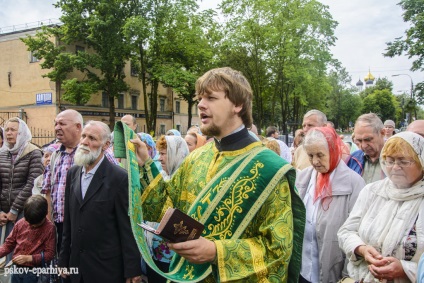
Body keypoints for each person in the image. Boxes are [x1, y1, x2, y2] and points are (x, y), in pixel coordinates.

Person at [130, 67, 305, 282]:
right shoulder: (197, 157)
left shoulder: (270, 169)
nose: (201, 104)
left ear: (237, 105)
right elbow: (162, 211)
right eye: (200, 98)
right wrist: (146, 163)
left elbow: (277, 250)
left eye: (211, 98)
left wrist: (216, 251)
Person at [58, 121, 141, 283]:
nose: (84, 142)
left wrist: (132, 269)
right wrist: (63, 259)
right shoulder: (73, 173)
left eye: (92, 138)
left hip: (106, 269)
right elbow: (68, 224)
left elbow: (127, 227)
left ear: (106, 145)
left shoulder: (119, 178)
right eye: (83, 136)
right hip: (76, 268)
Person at [338, 131, 424, 282]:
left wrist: (406, 270)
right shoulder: (372, 191)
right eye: (390, 161)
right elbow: (346, 231)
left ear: (421, 162)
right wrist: (362, 249)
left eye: (403, 161)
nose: (395, 167)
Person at [295, 127, 365, 283]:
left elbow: (357, 233)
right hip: (303, 271)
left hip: (334, 272)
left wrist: (348, 276)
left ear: (333, 150)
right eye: (310, 155)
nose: (315, 161)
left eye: (320, 155)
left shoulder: (354, 184)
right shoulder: (303, 178)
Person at [144, 135, 189, 282]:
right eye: (159, 153)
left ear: (176, 154)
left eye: (164, 154)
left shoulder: (186, 181)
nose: (159, 158)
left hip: (174, 257)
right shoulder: (162, 177)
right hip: (155, 254)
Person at [0, 117, 43, 262]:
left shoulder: (34, 152)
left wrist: (14, 210)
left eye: (13, 130)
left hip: (24, 212)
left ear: (22, 132)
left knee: (19, 252)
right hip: (3, 214)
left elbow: (33, 182)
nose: (8, 133)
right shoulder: (3, 153)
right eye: (6, 129)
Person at [41, 109, 83, 256]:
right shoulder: (55, 156)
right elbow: (47, 192)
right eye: (56, 124)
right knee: (63, 271)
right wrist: (49, 224)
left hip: (83, 227)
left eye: (62, 124)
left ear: (78, 127)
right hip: (59, 226)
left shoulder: (91, 154)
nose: (57, 127)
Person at [0, 195, 56, 283]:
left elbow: (50, 254)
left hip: (34, 272)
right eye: (29, 223)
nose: (31, 226)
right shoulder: (20, 223)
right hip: (16, 269)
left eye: (35, 224)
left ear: (45, 214)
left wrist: (29, 258)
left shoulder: (49, 228)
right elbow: (8, 244)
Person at [347, 113, 386, 184]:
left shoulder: (397, 161)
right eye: (359, 140)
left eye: (368, 139)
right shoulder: (353, 159)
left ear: (382, 133)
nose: (364, 145)